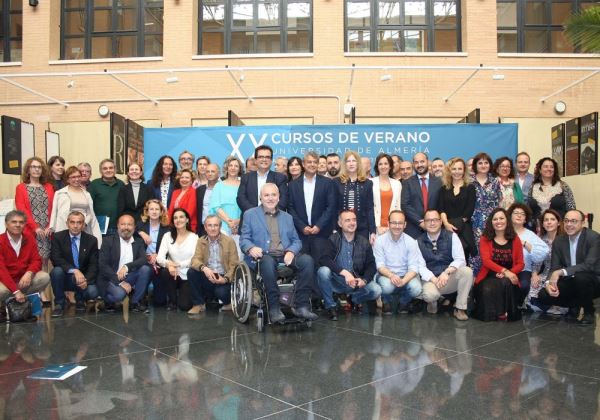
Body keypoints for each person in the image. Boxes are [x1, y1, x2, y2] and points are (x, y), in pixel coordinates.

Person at [239, 183, 318, 322]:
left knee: (307, 261)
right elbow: (244, 239)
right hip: (263, 256)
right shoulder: (250, 214)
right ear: (260, 197)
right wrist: (251, 248)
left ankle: (302, 306)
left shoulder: (287, 217)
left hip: (284, 255)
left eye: (273, 195)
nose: (270, 198)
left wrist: (291, 252)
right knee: (268, 262)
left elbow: (296, 241)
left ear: (278, 197)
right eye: (266, 195)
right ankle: (274, 308)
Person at [538, 210, 600, 325]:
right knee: (543, 295)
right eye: (566, 221)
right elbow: (554, 267)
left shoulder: (593, 237)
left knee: (581, 278)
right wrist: (548, 284)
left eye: (574, 221)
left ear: (583, 222)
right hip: (571, 280)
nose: (569, 224)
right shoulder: (559, 240)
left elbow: (588, 265)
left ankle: (588, 311)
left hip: (592, 280)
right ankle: (576, 304)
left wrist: (560, 272)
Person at [317, 209, 382, 320]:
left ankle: (354, 300)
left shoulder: (364, 242)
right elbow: (324, 259)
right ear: (340, 224)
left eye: (354, 220)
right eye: (347, 220)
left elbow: (371, 265)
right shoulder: (333, 239)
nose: (352, 223)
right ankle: (330, 307)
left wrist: (364, 280)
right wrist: (344, 272)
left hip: (356, 283)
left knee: (376, 290)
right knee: (323, 271)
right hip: (337, 280)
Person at [417, 209, 473, 321]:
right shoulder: (418, 241)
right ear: (424, 222)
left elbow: (460, 259)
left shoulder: (452, 236)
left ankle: (460, 308)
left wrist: (447, 272)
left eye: (435, 220)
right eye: (428, 220)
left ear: (441, 222)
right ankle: (433, 302)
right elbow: (420, 267)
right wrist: (434, 279)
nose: (432, 223)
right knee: (430, 295)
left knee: (467, 271)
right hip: (431, 279)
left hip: (448, 278)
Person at [473, 208, 524, 322]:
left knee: (505, 282)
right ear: (491, 222)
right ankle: (493, 314)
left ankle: (503, 313)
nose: (498, 221)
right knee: (487, 288)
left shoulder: (515, 239)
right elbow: (486, 261)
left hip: (510, 276)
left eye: (501, 218)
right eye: (495, 219)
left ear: (507, 221)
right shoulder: (485, 238)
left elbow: (521, 263)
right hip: (488, 275)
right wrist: (504, 271)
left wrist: (509, 273)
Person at [49, 211, 100, 317]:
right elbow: (56, 258)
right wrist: (74, 270)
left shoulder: (91, 240)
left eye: (79, 222)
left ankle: (80, 299)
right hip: (66, 277)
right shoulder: (58, 237)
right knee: (56, 271)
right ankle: (59, 303)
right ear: (67, 223)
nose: (75, 226)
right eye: (72, 222)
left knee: (93, 292)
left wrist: (86, 279)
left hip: (83, 278)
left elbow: (93, 264)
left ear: (83, 225)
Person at [187, 215, 239, 314]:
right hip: (209, 274)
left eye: (215, 225)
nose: (213, 228)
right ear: (205, 228)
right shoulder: (201, 240)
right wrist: (204, 268)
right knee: (192, 272)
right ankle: (198, 304)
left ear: (220, 227)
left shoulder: (229, 241)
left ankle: (228, 303)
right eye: (209, 225)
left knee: (221, 292)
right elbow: (195, 260)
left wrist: (225, 279)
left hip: (224, 276)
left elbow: (234, 265)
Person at [374, 210, 423, 315]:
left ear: (405, 224)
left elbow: (414, 267)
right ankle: (386, 301)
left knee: (416, 289)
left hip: (406, 276)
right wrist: (391, 275)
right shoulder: (379, 241)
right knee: (387, 286)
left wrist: (404, 280)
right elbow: (379, 265)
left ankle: (404, 302)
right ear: (388, 224)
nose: (397, 226)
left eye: (400, 223)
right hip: (386, 275)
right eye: (394, 223)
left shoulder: (411, 242)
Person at [287, 151, 336, 254]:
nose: (312, 164)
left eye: (315, 162)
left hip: (322, 233)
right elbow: (290, 208)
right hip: (300, 234)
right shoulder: (293, 185)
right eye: (309, 162)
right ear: (304, 164)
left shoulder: (328, 183)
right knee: (304, 265)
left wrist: (319, 225)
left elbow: (331, 207)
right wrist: (302, 226)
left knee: (322, 268)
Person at [0, 210, 51, 307]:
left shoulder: (29, 238)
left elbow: (36, 260)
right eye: (14, 222)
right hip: (5, 281)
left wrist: (29, 272)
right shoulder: (1, 241)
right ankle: (8, 300)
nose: (18, 225)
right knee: (1, 291)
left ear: (24, 225)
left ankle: (21, 299)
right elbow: (1, 270)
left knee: (44, 277)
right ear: (6, 224)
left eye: (21, 222)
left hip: (23, 280)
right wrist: (15, 290)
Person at [157, 208, 199, 311]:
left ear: (187, 220)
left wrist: (177, 265)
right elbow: (159, 258)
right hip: (172, 273)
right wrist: (168, 264)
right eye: (175, 218)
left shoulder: (194, 237)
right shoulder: (167, 236)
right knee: (165, 272)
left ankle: (183, 295)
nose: (178, 220)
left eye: (181, 217)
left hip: (186, 274)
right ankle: (172, 301)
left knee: (184, 306)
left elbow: (194, 259)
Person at [15, 157, 55, 266]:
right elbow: (21, 209)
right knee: (32, 261)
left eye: (39, 167)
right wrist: (35, 227)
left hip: (47, 230)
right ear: (28, 170)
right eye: (33, 167)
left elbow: (53, 208)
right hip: (30, 230)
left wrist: (50, 226)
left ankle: (45, 282)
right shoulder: (21, 188)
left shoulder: (49, 187)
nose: (37, 169)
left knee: (45, 261)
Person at [508, 203, 549, 306]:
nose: (519, 215)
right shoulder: (503, 232)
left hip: (524, 269)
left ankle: (517, 304)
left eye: (522, 214)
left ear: (525, 219)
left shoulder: (530, 235)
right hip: (505, 268)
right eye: (516, 213)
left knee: (524, 285)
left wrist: (525, 243)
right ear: (510, 216)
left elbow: (543, 252)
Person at [50, 166, 102, 246]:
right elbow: (54, 212)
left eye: (78, 176)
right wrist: (52, 228)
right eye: (73, 177)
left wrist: (84, 224)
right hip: (65, 227)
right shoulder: (60, 193)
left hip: (83, 228)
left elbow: (90, 212)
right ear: (67, 179)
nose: (76, 179)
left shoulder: (87, 194)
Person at [470, 152, 502, 275]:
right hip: (473, 223)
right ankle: (474, 284)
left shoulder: (495, 182)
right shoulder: (469, 182)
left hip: (491, 223)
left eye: (486, 162)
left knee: (491, 251)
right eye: (480, 163)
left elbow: (498, 203)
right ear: (475, 165)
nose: (483, 165)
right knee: (475, 254)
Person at [437, 157, 476, 259]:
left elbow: (469, 212)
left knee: (463, 259)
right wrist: (446, 224)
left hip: (464, 229)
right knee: (447, 257)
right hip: (446, 229)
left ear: (464, 171)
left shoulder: (470, 188)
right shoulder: (443, 189)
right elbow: (441, 209)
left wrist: (454, 225)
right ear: (449, 171)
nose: (457, 172)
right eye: (454, 169)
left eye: (460, 169)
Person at [334, 150, 376, 243]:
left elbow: (369, 208)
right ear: (344, 164)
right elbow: (334, 207)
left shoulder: (367, 183)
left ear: (358, 163)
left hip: (362, 228)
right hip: (341, 228)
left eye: (354, 161)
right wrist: (333, 228)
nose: (351, 164)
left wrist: (373, 231)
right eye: (348, 161)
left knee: (360, 255)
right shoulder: (336, 182)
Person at [136, 199, 170, 307]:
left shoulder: (167, 228)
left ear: (161, 212)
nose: (154, 212)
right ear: (147, 211)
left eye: (157, 209)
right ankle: (140, 298)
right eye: (151, 209)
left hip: (160, 262)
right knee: (144, 270)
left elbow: (169, 248)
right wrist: (141, 233)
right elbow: (131, 235)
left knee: (160, 301)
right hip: (145, 261)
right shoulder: (140, 225)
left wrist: (158, 255)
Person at [401, 152, 442, 239]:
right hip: (413, 228)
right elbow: (405, 205)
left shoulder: (439, 182)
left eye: (422, 161)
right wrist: (421, 222)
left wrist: (432, 221)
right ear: (413, 165)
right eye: (416, 162)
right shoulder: (407, 183)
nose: (419, 165)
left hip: (435, 228)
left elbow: (441, 204)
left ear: (428, 162)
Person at [528, 209, 563, 311]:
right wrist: (534, 274)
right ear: (542, 224)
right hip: (546, 272)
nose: (549, 222)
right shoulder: (540, 240)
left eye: (552, 219)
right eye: (546, 220)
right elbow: (537, 260)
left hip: (560, 273)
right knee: (533, 285)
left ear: (558, 223)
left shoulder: (564, 239)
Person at [237, 145, 288, 213]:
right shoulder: (246, 177)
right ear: (255, 160)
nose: (264, 159)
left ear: (271, 160)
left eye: (267, 157)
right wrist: (256, 214)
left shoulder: (280, 178)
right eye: (261, 157)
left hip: (273, 219)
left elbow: (283, 200)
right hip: (250, 218)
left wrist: (268, 213)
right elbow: (241, 198)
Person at [528, 157, 576, 223]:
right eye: (545, 166)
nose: (549, 169)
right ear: (540, 170)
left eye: (551, 167)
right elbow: (529, 209)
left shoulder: (563, 186)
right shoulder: (533, 187)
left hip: (559, 228)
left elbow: (572, 208)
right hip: (537, 229)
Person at [88, 159, 125, 236]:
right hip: (99, 226)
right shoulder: (94, 184)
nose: (108, 170)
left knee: (116, 248)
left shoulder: (121, 184)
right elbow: (89, 205)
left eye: (111, 168)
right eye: (105, 168)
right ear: (101, 171)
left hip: (117, 227)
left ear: (115, 170)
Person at [372, 154, 402, 236]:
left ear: (390, 166)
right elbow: (368, 208)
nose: (383, 166)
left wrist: (394, 225)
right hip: (375, 227)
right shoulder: (371, 182)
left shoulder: (397, 184)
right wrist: (377, 226)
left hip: (392, 227)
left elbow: (398, 207)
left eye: (386, 163)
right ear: (377, 167)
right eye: (380, 164)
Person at [196, 163, 221, 236]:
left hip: (220, 229)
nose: (210, 174)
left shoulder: (224, 188)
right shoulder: (199, 190)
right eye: (208, 171)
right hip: (203, 229)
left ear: (218, 174)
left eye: (212, 171)